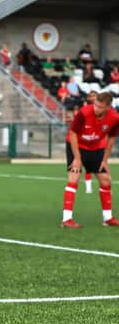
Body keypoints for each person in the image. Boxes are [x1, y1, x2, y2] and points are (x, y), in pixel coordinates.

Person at [61, 91, 119, 228]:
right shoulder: (84, 113)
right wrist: (77, 158)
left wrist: (104, 160)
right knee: (74, 177)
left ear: (108, 107)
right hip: (76, 145)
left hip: (96, 148)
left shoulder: (115, 118)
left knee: (106, 180)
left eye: (100, 106)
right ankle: (66, 219)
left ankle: (107, 218)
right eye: (95, 104)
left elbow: (111, 139)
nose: (96, 108)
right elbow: (73, 133)